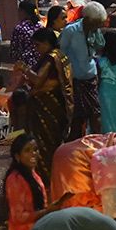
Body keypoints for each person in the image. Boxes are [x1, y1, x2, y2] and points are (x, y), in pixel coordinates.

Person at [23, 27, 74, 184]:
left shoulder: (51, 58)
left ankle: (47, 180)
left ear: (46, 43)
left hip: (49, 106)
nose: (36, 50)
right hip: (53, 105)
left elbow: (38, 80)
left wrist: (22, 68)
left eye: (38, 45)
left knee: (46, 145)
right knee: (51, 143)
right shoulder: (60, 56)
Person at [59, 2, 106, 139]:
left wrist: (95, 32)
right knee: (77, 118)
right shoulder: (71, 31)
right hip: (75, 80)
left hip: (90, 78)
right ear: (87, 19)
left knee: (95, 115)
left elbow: (100, 45)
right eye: (96, 22)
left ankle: (97, 144)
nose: (99, 26)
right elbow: (60, 53)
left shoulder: (94, 32)